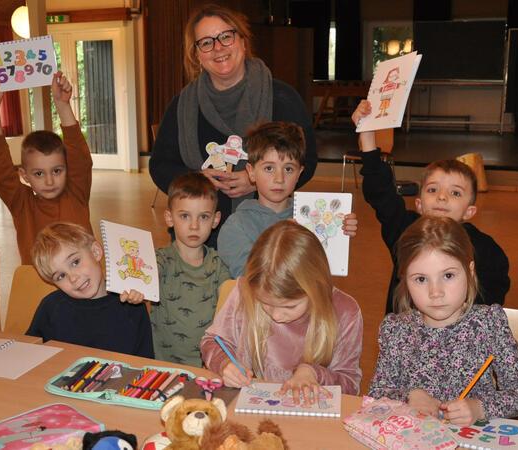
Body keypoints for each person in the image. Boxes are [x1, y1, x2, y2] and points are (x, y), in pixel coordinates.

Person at [149, 4, 318, 246]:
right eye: (206, 42)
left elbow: (307, 161)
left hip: (267, 238)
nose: (218, 48)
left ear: (243, 42)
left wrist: (256, 180)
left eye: (226, 37)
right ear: (197, 54)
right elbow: (160, 166)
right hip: (200, 243)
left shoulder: (282, 99)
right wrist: (196, 180)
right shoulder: (182, 106)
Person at [368, 216, 518, 426]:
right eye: (421, 279)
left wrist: (479, 407)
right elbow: (376, 393)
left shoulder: (489, 323)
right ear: (405, 280)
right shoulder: (396, 329)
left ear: (470, 271)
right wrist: (410, 396)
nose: (435, 292)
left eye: (448, 276)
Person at [353, 100, 510, 314]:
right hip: (406, 341)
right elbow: (381, 193)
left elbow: (493, 298)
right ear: (419, 204)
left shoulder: (485, 250)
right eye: (433, 190)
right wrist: (368, 136)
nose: (442, 197)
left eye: (455, 193)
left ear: (469, 211)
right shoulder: (405, 231)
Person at [201, 220, 363, 400]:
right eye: (265, 303)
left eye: (289, 306)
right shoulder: (244, 293)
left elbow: (350, 385)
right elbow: (212, 342)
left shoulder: (345, 311)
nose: (276, 316)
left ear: (316, 289)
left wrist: (314, 373)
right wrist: (224, 364)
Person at [217, 121, 357, 277]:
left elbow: (321, 272)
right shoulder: (236, 226)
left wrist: (337, 232)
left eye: (289, 169)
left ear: (299, 173)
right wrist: (284, 239)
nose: (279, 178)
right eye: (269, 168)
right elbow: (253, 276)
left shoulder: (311, 219)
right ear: (251, 172)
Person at [0, 72, 93, 265]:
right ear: (24, 175)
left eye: (57, 171)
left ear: (67, 169)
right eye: (39, 174)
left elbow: (80, 158)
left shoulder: (76, 194)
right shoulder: (22, 204)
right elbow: (2, 168)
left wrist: (62, 105)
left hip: (84, 285)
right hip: (39, 290)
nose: (49, 181)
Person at [26, 222, 153, 358]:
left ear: (95, 252)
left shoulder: (131, 304)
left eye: (75, 262)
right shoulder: (51, 307)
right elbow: (28, 353)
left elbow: (144, 362)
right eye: (61, 276)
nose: (73, 278)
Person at [152, 172, 231, 366]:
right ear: (169, 218)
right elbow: (141, 279)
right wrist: (135, 289)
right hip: (164, 366)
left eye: (203, 217)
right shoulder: (158, 260)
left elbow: (230, 301)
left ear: (215, 220)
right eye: (185, 216)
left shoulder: (219, 264)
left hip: (208, 367)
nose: (194, 226)